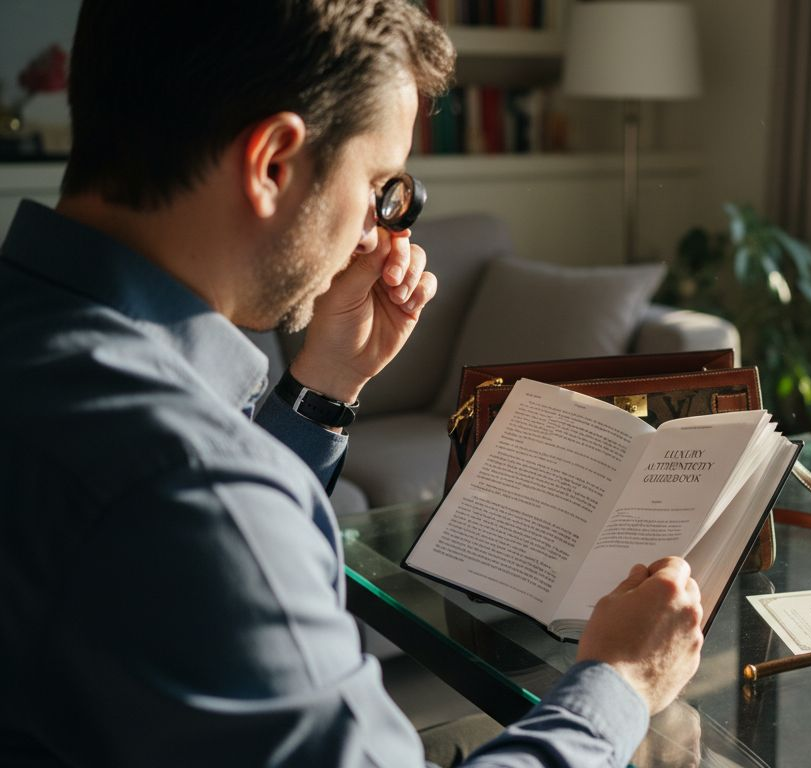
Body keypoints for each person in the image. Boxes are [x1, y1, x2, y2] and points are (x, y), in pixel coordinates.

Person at [0, 1, 703, 766]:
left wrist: (328, 381)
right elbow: (206, 522)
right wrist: (620, 684)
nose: (376, 231)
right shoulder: (190, 490)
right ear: (273, 161)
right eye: (377, 184)